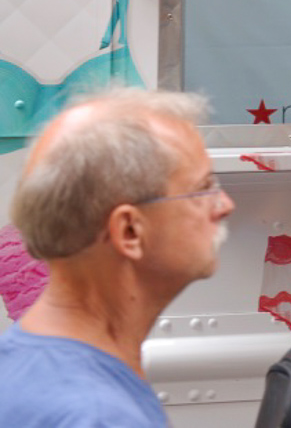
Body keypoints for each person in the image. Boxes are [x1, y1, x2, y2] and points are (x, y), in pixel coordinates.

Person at [0, 87, 236, 427]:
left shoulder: (19, 364)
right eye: (202, 189)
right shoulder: (100, 416)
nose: (225, 205)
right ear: (129, 231)